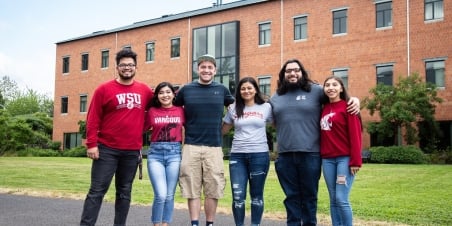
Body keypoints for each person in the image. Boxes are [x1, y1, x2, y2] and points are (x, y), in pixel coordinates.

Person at [269, 59, 359, 226]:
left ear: (302, 73)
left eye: (296, 70)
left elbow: (336, 95)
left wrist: (354, 100)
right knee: (291, 197)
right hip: (285, 156)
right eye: (288, 71)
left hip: (311, 155)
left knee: (310, 196)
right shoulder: (275, 97)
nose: (292, 73)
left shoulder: (316, 91)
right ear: (283, 75)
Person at [80, 49, 154, 226]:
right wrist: (91, 144)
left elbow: (156, 109)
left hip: (131, 151)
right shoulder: (104, 89)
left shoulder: (144, 90)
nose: (127, 68)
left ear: (136, 67)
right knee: (97, 191)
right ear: (117, 67)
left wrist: (143, 127)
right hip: (107, 149)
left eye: (130, 65)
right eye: (123, 65)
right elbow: (92, 118)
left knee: (124, 192)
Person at [174, 54, 235, 226]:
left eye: (210, 67)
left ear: (215, 71)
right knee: (192, 188)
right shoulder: (186, 90)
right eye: (203, 67)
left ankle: (209, 223)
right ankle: (194, 223)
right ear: (197, 69)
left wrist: (223, 130)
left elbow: (235, 110)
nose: (206, 70)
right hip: (191, 146)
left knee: (213, 189)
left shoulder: (222, 90)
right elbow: (172, 109)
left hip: (214, 147)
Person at [222, 77, 273, 226]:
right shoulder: (233, 108)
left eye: (249, 88)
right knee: (238, 197)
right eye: (243, 89)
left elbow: (279, 124)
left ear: (256, 89)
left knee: (256, 196)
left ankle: (255, 224)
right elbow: (223, 130)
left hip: (260, 155)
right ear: (239, 91)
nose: (246, 91)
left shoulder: (266, 107)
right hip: (238, 156)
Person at [320, 76, 362, 226]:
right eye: (327, 85)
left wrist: (356, 161)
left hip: (344, 159)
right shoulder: (323, 108)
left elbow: (356, 136)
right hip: (327, 160)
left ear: (341, 88)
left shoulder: (348, 107)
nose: (331, 88)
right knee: (333, 198)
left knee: (341, 198)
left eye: (334, 85)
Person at [144, 82, 185, 226]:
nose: (165, 95)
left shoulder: (181, 110)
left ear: (174, 94)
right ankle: (156, 224)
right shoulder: (152, 111)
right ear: (157, 96)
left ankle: (165, 223)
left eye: (168, 92)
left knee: (169, 195)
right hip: (155, 154)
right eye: (161, 92)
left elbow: (192, 127)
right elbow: (140, 128)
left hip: (175, 154)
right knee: (160, 194)